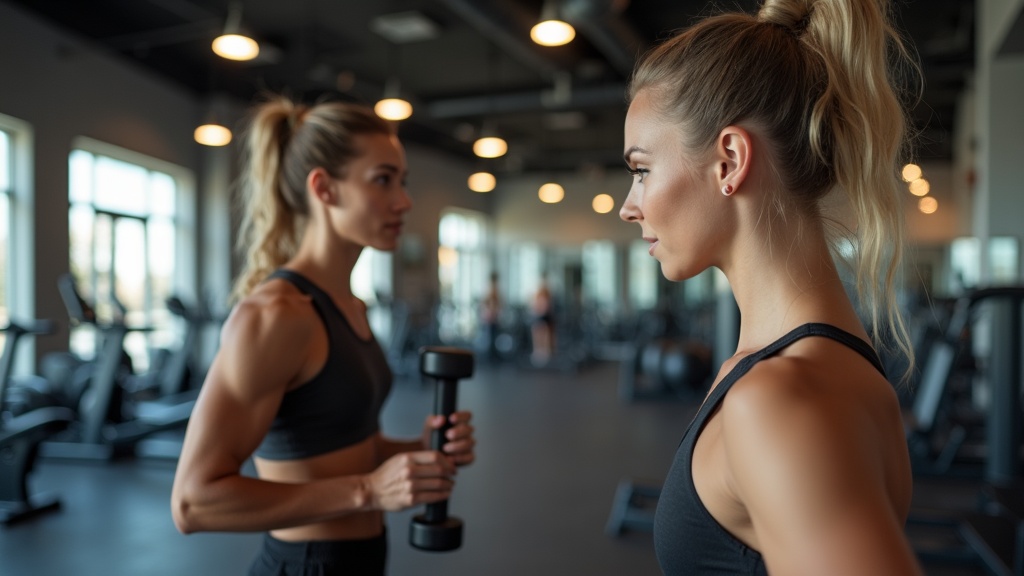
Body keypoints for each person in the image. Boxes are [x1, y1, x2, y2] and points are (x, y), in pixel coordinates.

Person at [618, 1, 923, 574]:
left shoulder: (779, 400)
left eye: (641, 170)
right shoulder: (804, 370)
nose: (628, 206)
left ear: (729, 160)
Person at [170, 96, 476, 576]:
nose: (404, 201)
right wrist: (371, 491)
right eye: (383, 180)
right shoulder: (275, 315)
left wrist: (417, 449)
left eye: (402, 181)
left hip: (362, 559)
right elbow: (194, 503)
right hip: (306, 565)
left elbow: (347, 448)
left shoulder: (347, 305)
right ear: (324, 188)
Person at [529, 276, 555, 366]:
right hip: (539, 316)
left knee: (545, 331)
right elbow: (535, 306)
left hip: (546, 317)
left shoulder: (547, 293)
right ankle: (537, 350)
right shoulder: (538, 294)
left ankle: (546, 351)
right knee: (536, 330)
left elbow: (548, 307)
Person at [480, 271, 502, 362]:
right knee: (490, 336)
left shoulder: (494, 290)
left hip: (493, 317)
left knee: (493, 336)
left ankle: (492, 354)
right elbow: (485, 303)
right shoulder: (490, 290)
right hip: (490, 317)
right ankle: (490, 355)